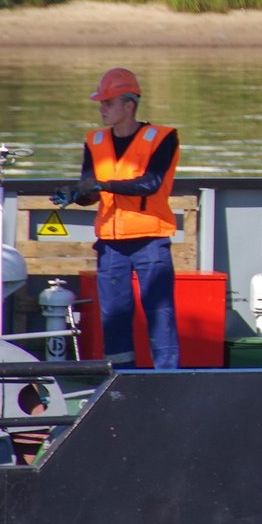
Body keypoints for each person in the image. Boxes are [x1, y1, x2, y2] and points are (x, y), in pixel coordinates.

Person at [51, 67, 181, 369]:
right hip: (110, 244)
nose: (102, 109)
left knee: (160, 312)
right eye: (101, 103)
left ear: (129, 105)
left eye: (108, 103)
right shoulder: (95, 141)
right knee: (114, 314)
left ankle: (168, 377)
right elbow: (89, 188)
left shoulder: (163, 138)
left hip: (150, 240)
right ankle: (120, 380)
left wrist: (102, 185)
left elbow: (151, 183)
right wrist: (74, 194)